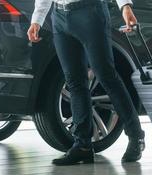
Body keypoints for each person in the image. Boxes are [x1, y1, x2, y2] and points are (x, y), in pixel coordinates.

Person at [27, 0, 145, 165]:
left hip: (90, 12)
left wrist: (125, 6)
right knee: (74, 82)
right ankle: (83, 146)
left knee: (106, 76)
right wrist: (36, 20)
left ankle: (136, 136)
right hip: (59, 16)